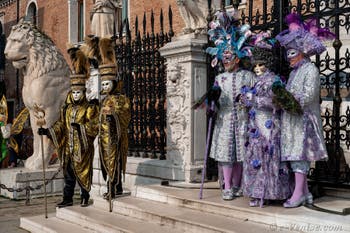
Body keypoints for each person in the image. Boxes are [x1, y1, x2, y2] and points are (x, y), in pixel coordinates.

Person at [275, 13, 334, 208]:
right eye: (287, 53)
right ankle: (306, 192)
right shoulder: (294, 72)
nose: (288, 57)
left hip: (304, 120)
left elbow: (309, 95)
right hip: (293, 121)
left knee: (300, 156)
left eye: (292, 53)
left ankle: (298, 193)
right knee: (294, 155)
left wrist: (289, 100)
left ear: (302, 51)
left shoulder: (310, 70)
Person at [38, 48, 99, 208]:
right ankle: (68, 198)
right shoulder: (67, 108)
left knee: (83, 173)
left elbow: (94, 125)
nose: (76, 95)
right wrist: (48, 130)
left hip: (83, 148)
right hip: (68, 149)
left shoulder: (89, 108)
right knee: (69, 175)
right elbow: (61, 126)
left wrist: (81, 128)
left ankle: (85, 196)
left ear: (83, 92)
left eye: (79, 92)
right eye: (74, 92)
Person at [206, 11, 255, 200]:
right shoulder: (219, 78)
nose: (226, 60)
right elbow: (213, 99)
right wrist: (212, 104)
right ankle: (226, 185)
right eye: (224, 57)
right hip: (224, 119)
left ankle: (237, 184)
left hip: (243, 119)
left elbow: (256, 96)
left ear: (237, 57)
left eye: (230, 56)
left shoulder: (248, 76)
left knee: (241, 154)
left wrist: (248, 100)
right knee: (226, 154)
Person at [240, 32, 291, 207]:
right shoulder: (256, 81)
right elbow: (252, 101)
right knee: (255, 158)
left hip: (270, 125)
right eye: (255, 65)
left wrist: (254, 99)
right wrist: (245, 99)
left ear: (268, 64)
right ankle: (256, 192)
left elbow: (276, 102)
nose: (257, 68)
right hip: (255, 127)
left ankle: (270, 192)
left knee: (269, 157)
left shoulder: (275, 80)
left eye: (260, 65)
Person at [98, 63, 130, 199]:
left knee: (114, 162)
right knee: (107, 163)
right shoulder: (104, 100)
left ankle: (112, 188)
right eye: (103, 84)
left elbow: (125, 116)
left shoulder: (122, 99)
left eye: (107, 84)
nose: (105, 87)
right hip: (104, 138)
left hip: (116, 137)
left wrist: (114, 116)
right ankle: (118, 187)